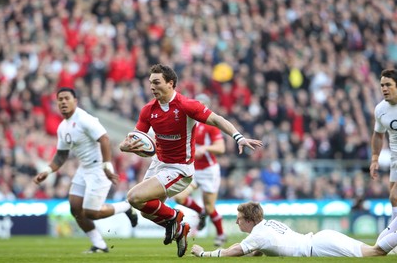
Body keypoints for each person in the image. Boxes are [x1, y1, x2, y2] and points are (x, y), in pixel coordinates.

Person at [119, 64, 263, 257]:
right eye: (150, 83)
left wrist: (239, 137)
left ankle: (175, 217)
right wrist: (125, 146)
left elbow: (218, 120)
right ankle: (180, 229)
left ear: (171, 83)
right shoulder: (148, 110)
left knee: (133, 197)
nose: (152, 87)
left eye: (156, 82)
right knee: (146, 210)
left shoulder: (186, 105)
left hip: (179, 169)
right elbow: (135, 138)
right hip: (158, 163)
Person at [33, 87, 138, 253]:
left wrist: (107, 165)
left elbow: (104, 138)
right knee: (75, 207)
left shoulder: (84, 119)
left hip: (99, 168)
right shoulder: (63, 127)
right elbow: (61, 156)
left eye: (67, 98)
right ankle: (99, 245)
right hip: (84, 168)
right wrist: (46, 171)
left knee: (91, 212)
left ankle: (126, 207)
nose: (63, 102)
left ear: (75, 101)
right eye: (60, 99)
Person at [191, 201, 397, 257]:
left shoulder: (259, 234)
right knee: (375, 249)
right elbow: (264, 246)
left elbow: (233, 251)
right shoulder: (267, 225)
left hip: (319, 247)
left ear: (250, 220)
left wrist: (204, 254)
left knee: (375, 252)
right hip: (321, 239)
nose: (237, 223)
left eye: (239, 219)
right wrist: (257, 252)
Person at [172, 93, 227, 247]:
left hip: (209, 170)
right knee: (179, 197)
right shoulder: (187, 123)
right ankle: (200, 211)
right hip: (194, 169)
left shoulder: (210, 125)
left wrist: (206, 148)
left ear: (206, 106)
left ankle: (221, 234)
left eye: (201, 104)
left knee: (211, 207)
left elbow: (221, 148)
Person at [370, 69, 397, 223]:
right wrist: (375, 159)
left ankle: (393, 240)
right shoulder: (381, 110)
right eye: (382, 85)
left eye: (388, 85)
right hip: (395, 158)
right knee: (394, 201)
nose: (384, 89)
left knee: (394, 195)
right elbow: (378, 135)